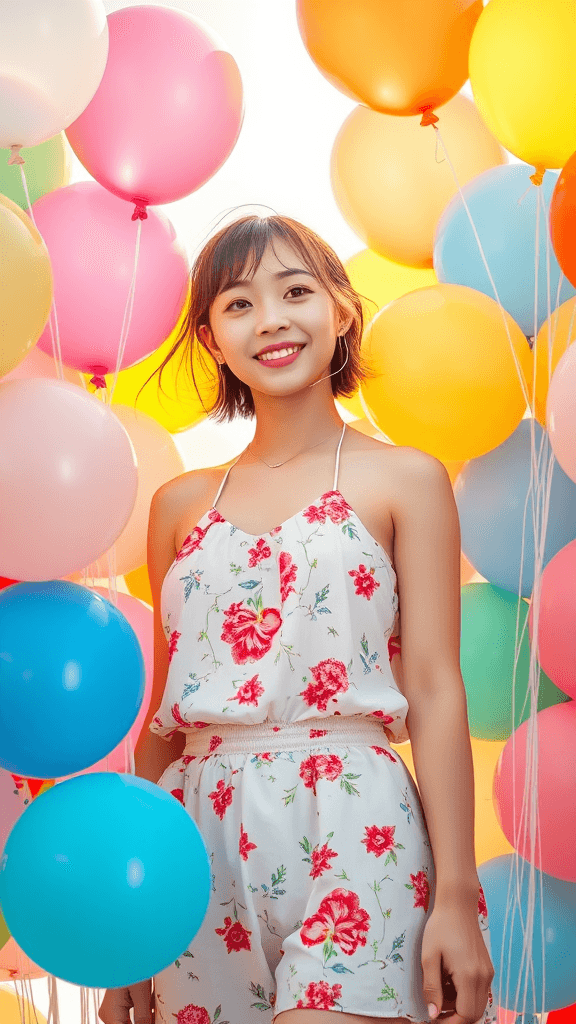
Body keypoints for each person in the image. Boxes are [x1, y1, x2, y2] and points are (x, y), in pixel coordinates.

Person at [98, 213, 496, 1024]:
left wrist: (456, 893)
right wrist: (132, 925)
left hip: (358, 820)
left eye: (296, 291)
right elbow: (163, 725)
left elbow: (433, 685)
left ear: (341, 310)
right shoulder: (181, 504)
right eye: (238, 304)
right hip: (194, 842)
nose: (272, 319)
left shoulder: (405, 480)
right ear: (211, 339)